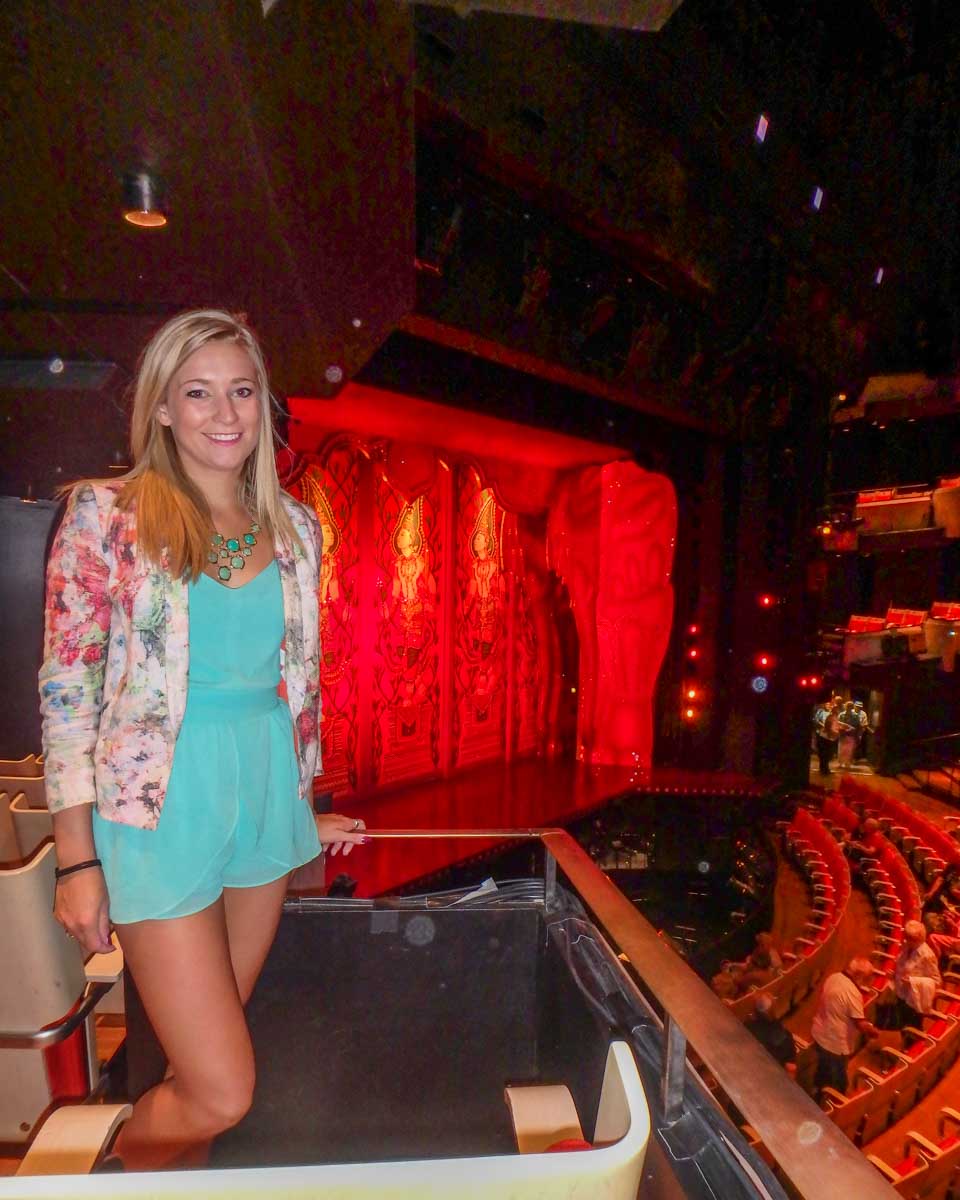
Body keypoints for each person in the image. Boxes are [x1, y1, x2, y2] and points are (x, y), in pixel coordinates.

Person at [39, 310, 368, 1170]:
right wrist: (77, 862)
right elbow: (68, 694)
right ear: (161, 409)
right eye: (198, 393)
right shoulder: (104, 516)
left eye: (242, 391)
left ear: (263, 404)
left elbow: (292, 677)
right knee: (223, 1087)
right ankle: (110, 1179)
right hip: (160, 810)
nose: (224, 414)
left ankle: (168, 1184)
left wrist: (302, 804)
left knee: (202, 1078)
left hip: (264, 805)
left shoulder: (298, 529)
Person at [810, 958, 879, 1100]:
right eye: (867, 978)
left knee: (822, 1070)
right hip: (835, 1044)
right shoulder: (852, 992)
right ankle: (833, 1109)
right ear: (858, 975)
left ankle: (816, 1094)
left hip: (819, 1033)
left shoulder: (833, 977)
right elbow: (860, 1024)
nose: (868, 982)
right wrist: (875, 1032)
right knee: (839, 1083)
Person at [894, 920, 942, 1027]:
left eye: (908, 938)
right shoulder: (907, 946)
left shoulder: (927, 956)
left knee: (912, 1028)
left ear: (916, 939)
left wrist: (913, 981)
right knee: (902, 1025)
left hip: (913, 1000)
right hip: (901, 993)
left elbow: (936, 981)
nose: (905, 940)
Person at [745, 993, 797, 1077]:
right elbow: (791, 1068)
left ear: (754, 1010)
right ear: (774, 1010)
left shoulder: (746, 1027)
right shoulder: (784, 1036)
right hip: (772, 1077)